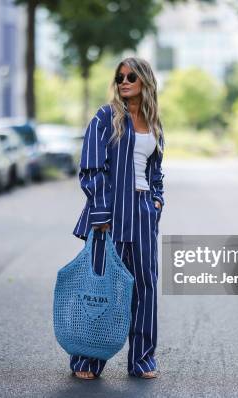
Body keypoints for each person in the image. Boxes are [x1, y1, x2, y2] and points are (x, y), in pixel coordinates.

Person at [71, 56, 165, 380]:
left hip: (142, 215)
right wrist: (100, 212)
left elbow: (156, 172)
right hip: (109, 216)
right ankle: (87, 360)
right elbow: (91, 167)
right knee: (101, 289)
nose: (124, 81)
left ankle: (142, 359)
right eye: (120, 77)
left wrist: (156, 201)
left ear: (145, 82)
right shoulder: (105, 117)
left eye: (131, 77)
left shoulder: (153, 122)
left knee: (145, 288)